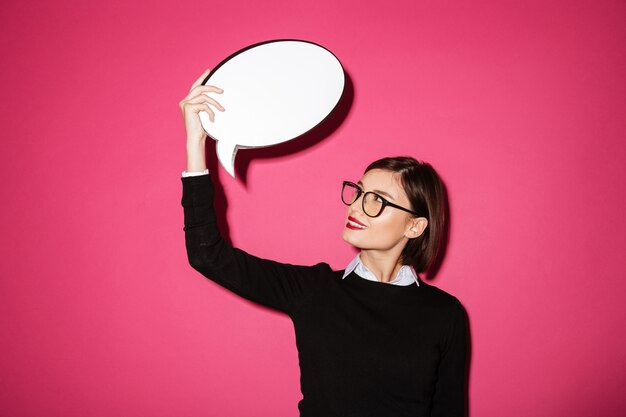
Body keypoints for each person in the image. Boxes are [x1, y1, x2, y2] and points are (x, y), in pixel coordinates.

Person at [179, 69, 468, 417]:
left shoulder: (445, 314)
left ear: (415, 226)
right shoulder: (314, 290)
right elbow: (206, 254)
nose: (357, 206)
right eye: (359, 192)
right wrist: (196, 142)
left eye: (377, 199)